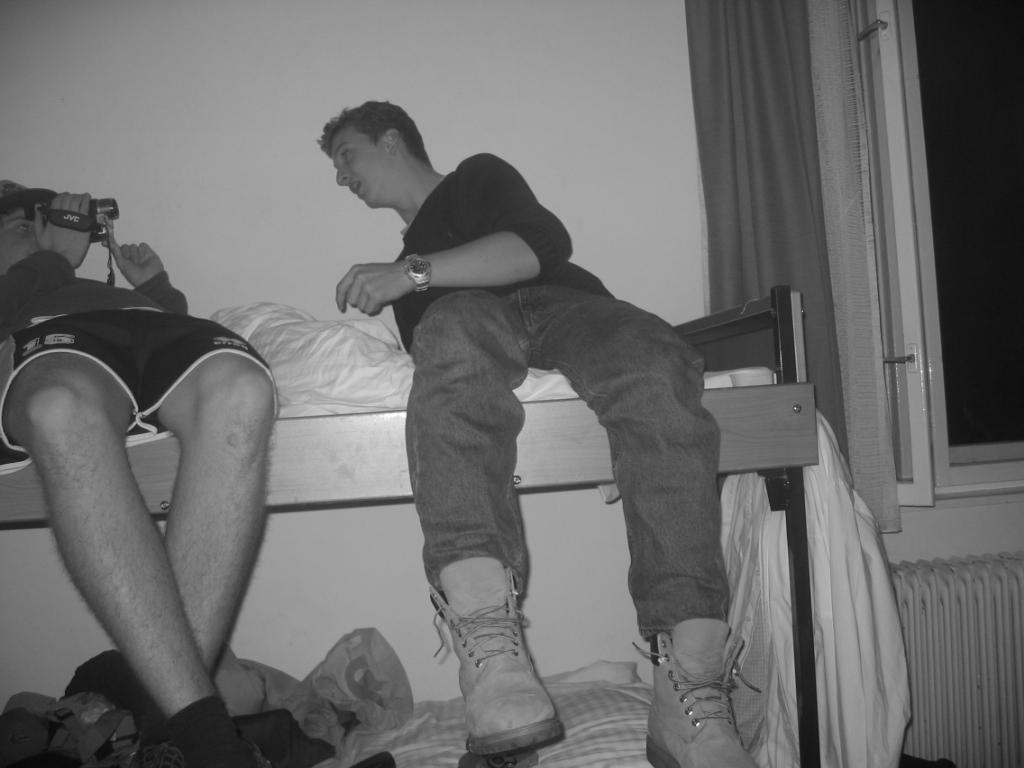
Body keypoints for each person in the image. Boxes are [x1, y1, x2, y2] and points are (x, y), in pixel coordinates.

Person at [316, 102, 756, 768]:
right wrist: (409, 277)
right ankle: (491, 655)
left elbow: (534, 248)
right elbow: (451, 385)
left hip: (565, 305)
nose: (341, 177)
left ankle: (688, 690)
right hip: (465, 319)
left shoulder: (471, 180)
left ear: (392, 139)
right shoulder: (408, 277)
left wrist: (409, 273)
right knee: (452, 338)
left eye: (346, 155)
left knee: (656, 361)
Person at [0, 181, 278, 768]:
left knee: (243, 392)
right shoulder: (29, 281)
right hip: (56, 337)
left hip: (160, 331)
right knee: (59, 410)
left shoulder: (111, 287)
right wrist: (57, 256)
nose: (42, 235)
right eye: (23, 227)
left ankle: (169, 734)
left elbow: (172, 334)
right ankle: (206, 744)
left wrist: (154, 288)